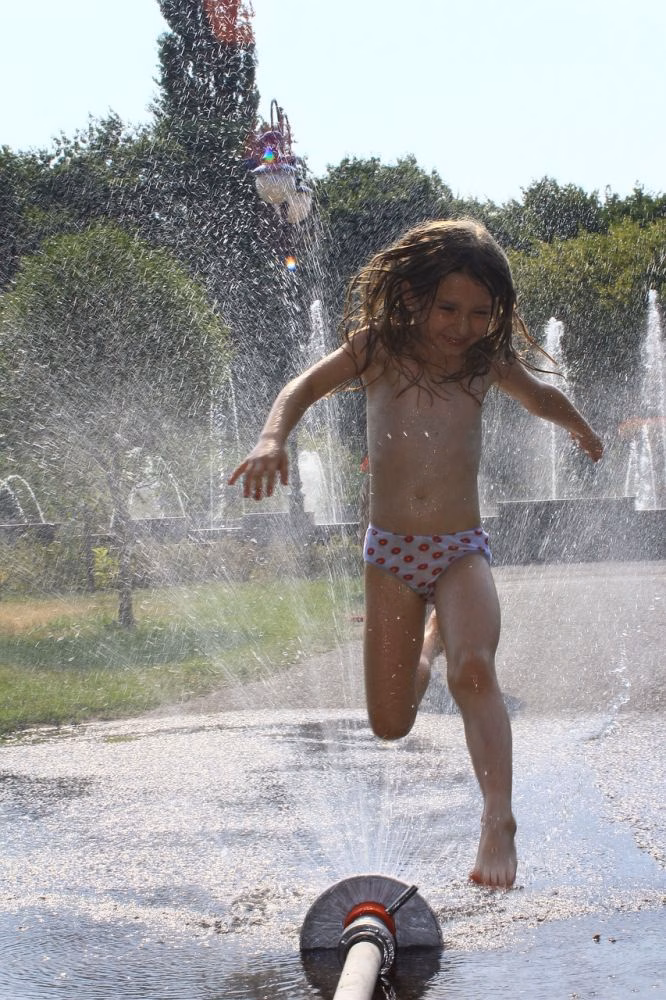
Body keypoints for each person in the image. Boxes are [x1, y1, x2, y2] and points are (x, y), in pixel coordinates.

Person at [229, 219, 603, 889]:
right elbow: (302, 388)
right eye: (449, 308)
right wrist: (270, 440)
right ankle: (430, 643)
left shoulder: (484, 363)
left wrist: (577, 424)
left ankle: (498, 818)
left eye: (481, 313)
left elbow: (539, 396)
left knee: (475, 671)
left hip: (461, 548)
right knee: (391, 722)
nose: (463, 326)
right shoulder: (378, 350)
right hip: (392, 555)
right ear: (412, 296)